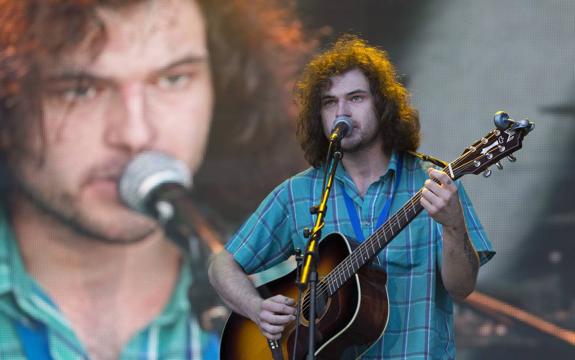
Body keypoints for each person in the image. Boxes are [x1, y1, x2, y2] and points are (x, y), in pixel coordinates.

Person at [0, 0, 310, 358]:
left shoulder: (296, 291)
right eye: (80, 88)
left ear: (222, 84)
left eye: (172, 79)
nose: (137, 134)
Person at [209, 35, 495, 359]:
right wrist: (257, 309)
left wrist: (453, 224)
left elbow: (462, 287)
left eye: (356, 98)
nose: (341, 112)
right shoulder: (298, 193)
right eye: (330, 102)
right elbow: (223, 265)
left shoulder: (434, 183)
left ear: (383, 105)